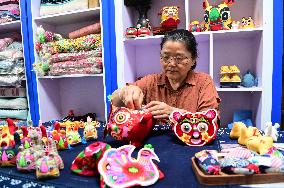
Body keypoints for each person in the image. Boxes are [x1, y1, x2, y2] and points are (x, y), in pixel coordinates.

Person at [111, 29, 220, 121]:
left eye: (179, 58)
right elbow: (114, 100)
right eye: (166, 57)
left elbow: (211, 120)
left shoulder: (203, 81)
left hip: (193, 142)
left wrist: (174, 113)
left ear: (193, 59)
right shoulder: (151, 81)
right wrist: (124, 92)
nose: (171, 64)